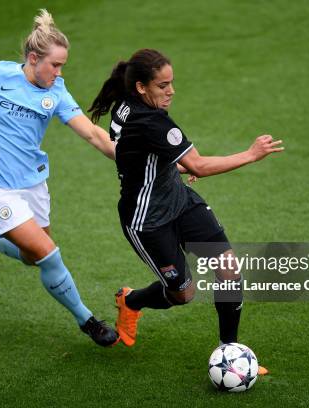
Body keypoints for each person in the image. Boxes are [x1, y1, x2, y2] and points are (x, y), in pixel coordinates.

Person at [0, 9, 118, 347]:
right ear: (33, 58)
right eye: (55, 65)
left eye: (62, 66)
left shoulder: (56, 92)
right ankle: (88, 320)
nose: (59, 73)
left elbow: (92, 134)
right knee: (48, 253)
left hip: (32, 184)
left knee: (32, 257)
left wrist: (141, 161)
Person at [88, 49, 284, 370]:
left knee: (228, 268)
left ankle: (230, 351)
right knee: (183, 294)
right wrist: (251, 154)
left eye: (172, 83)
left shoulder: (126, 105)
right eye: (163, 86)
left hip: (179, 200)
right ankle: (130, 300)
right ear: (141, 87)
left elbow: (136, 155)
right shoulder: (150, 121)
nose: (171, 91)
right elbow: (199, 165)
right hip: (147, 221)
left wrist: (172, 167)